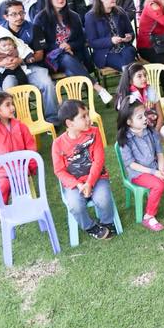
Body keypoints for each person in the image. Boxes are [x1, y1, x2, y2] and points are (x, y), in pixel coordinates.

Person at [117, 101, 164, 229]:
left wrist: (161, 171)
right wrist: (155, 173)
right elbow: (132, 165)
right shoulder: (125, 139)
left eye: (144, 114)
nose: (145, 118)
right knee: (158, 184)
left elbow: (160, 153)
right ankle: (149, 216)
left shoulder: (151, 132)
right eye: (140, 117)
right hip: (138, 173)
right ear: (129, 122)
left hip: (156, 166)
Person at [52, 100, 115, 241]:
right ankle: (90, 227)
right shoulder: (58, 144)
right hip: (74, 184)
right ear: (70, 123)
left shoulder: (94, 132)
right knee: (75, 205)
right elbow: (59, 171)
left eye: (88, 114)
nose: (88, 119)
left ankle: (107, 222)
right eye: (83, 116)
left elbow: (98, 161)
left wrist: (90, 183)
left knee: (103, 199)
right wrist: (79, 185)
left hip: (98, 178)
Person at [0, 0, 59, 124]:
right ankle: (15, 123)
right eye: (13, 14)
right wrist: (3, 63)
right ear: (6, 17)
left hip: (31, 67)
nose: (19, 17)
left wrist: (21, 60)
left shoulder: (34, 28)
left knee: (46, 83)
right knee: (8, 88)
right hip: (8, 70)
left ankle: (52, 120)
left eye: (21, 13)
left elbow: (39, 55)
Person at [33, 0, 93, 78]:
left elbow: (81, 39)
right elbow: (41, 45)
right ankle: (94, 84)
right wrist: (61, 48)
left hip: (73, 53)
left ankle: (91, 84)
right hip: (52, 58)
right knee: (65, 58)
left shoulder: (74, 16)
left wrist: (70, 45)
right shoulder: (40, 19)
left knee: (71, 72)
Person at [84, 0, 137, 71]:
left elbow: (131, 32)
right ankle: (129, 76)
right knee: (128, 67)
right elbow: (92, 42)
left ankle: (128, 76)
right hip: (105, 53)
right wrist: (110, 40)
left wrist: (129, 36)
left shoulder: (120, 11)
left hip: (125, 48)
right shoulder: (90, 16)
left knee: (128, 61)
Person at [115, 62, 164, 136]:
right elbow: (127, 123)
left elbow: (160, 116)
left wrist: (155, 132)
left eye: (145, 75)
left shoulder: (150, 90)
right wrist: (144, 107)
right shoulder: (125, 96)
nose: (144, 78)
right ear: (130, 80)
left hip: (153, 128)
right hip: (135, 133)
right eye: (139, 76)